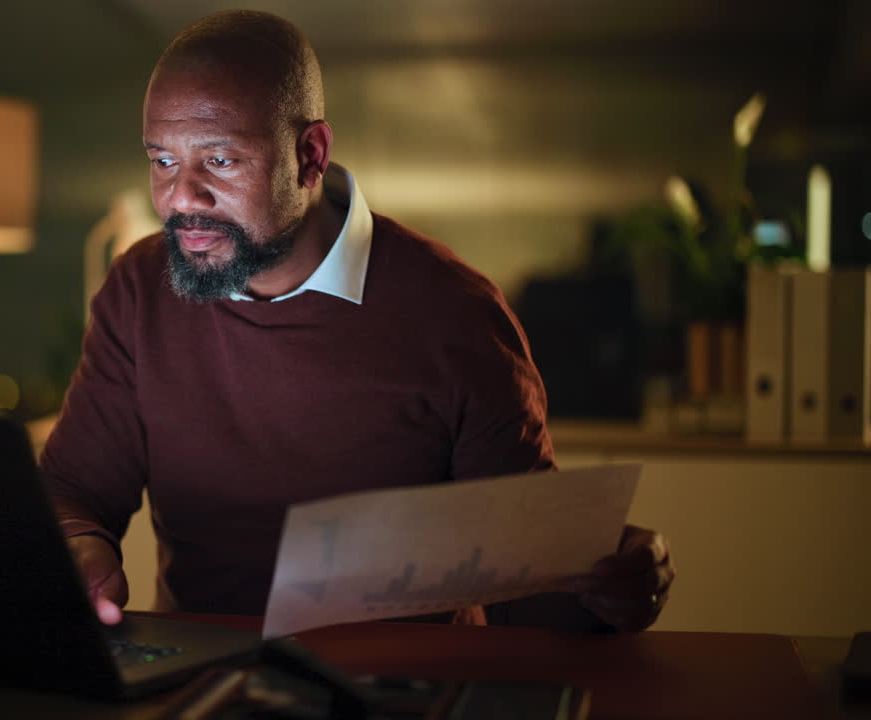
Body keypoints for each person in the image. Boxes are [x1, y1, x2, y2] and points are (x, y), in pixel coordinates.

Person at [39, 10, 674, 633]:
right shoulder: (138, 289)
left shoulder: (457, 315)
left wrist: (610, 580)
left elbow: (529, 586)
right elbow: (74, 489)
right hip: (202, 680)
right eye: (163, 162)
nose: (181, 198)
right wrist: (80, 546)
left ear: (309, 156)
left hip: (405, 685)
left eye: (221, 161)